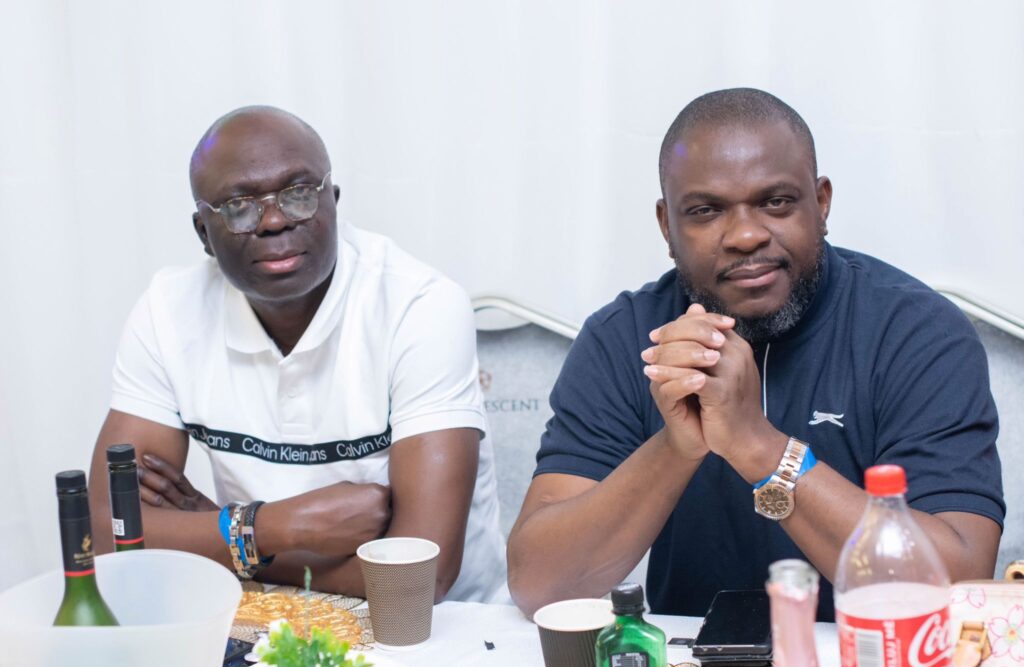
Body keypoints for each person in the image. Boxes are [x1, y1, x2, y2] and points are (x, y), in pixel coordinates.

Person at [507, 88, 1004, 620]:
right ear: (667, 226)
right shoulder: (626, 337)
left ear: (822, 203)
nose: (745, 235)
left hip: (874, 662)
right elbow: (541, 585)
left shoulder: (915, 332)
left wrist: (759, 447)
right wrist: (677, 445)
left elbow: (958, 582)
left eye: (776, 202)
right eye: (705, 211)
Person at [87, 106, 505, 602]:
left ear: (334, 201)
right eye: (238, 206)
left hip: (437, 631)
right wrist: (271, 528)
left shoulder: (418, 306)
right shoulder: (168, 311)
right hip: (259, 621)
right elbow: (108, 537)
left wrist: (227, 536)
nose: (274, 220)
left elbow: (416, 578)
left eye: (299, 194)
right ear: (203, 234)